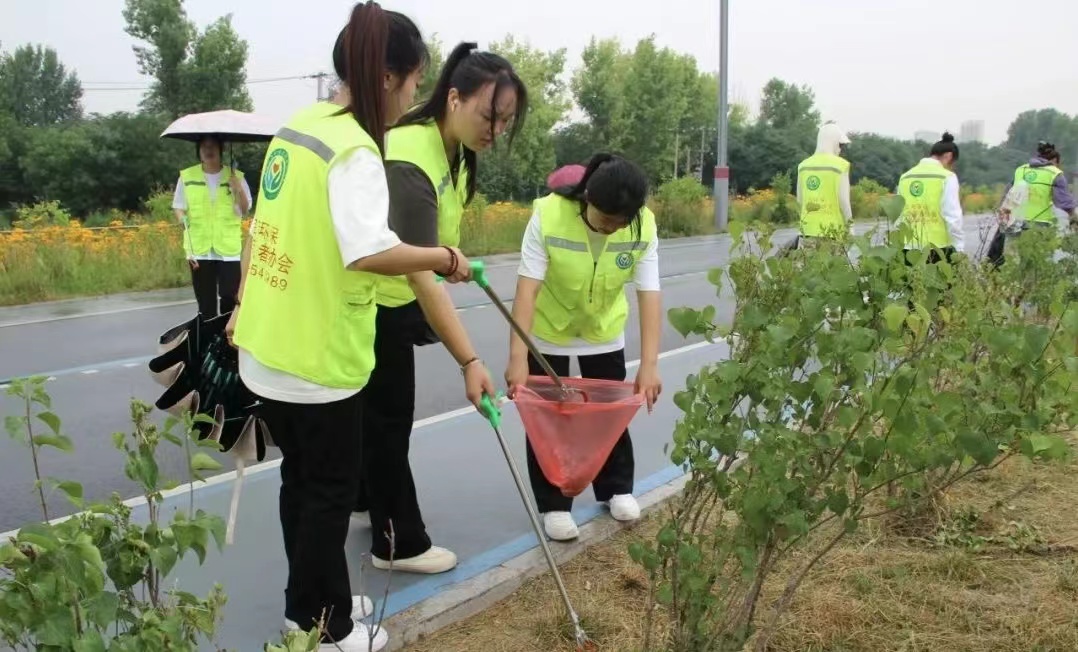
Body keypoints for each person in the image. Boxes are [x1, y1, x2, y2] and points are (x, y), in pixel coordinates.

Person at [227, 4, 472, 650]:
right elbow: (368, 252)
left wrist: (239, 304)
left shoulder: (300, 128)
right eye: (415, 81)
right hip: (317, 360)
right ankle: (327, 629)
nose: (413, 95)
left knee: (301, 484)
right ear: (389, 76)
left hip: (268, 346)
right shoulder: (356, 151)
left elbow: (262, 231)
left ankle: (308, 603)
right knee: (328, 495)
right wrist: (442, 257)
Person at [351, 41, 529, 575]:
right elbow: (418, 269)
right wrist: (470, 360)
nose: (495, 131)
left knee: (375, 418)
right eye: (488, 116)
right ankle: (397, 543)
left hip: (394, 301)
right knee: (388, 422)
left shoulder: (453, 152)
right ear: (453, 98)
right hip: (369, 306)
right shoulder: (409, 156)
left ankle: (364, 496)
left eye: (506, 122)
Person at [503, 153, 663, 541]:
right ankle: (554, 505)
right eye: (604, 220)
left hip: (603, 330)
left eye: (619, 223)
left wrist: (650, 365)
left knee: (608, 415)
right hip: (548, 331)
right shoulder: (548, 214)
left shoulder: (643, 225)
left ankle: (616, 488)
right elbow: (527, 288)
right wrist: (517, 356)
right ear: (587, 198)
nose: (611, 229)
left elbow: (649, 293)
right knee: (549, 418)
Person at [172, 135, 252, 318]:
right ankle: (207, 343)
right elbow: (178, 206)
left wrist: (238, 189)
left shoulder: (236, 177)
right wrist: (183, 220)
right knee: (205, 304)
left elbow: (245, 209)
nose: (208, 151)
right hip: (199, 248)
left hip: (228, 249)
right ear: (199, 152)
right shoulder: (187, 176)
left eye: (213, 147)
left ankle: (227, 343)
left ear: (221, 150)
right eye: (204, 147)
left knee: (229, 299)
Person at [895, 132, 964, 266]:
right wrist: (959, 247)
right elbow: (952, 216)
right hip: (938, 250)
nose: (952, 167)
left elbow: (898, 215)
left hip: (908, 249)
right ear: (949, 156)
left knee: (912, 286)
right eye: (953, 163)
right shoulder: (947, 177)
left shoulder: (905, 177)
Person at [795, 121, 853, 246]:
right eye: (840, 145)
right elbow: (843, 200)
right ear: (834, 142)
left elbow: (800, 200)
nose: (840, 149)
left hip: (806, 232)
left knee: (807, 265)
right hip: (833, 233)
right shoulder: (840, 165)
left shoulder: (803, 166)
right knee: (834, 265)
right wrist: (850, 227)